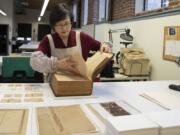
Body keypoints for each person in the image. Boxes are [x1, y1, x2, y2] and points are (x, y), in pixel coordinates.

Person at [30, 3, 111, 76]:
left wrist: (104, 46)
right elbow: (33, 61)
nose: (64, 28)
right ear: (53, 26)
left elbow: (101, 45)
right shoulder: (48, 40)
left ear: (71, 22)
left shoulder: (81, 37)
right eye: (59, 25)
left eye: (66, 23)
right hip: (56, 86)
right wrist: (57, 64)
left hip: (79, 83)